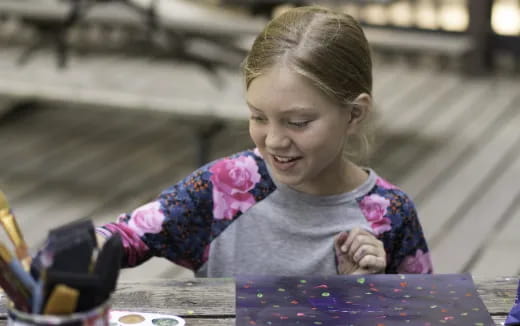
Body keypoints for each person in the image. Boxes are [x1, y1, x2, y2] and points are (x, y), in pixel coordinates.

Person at [96, 6, 433, 276]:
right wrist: (85, 253)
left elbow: (426, 313)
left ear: (355, 115)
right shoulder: (225, 189)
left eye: (298, 122)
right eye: (258, 117)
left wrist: (367, 292)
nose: (273, 140)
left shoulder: (390, 216)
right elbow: (128, 235)